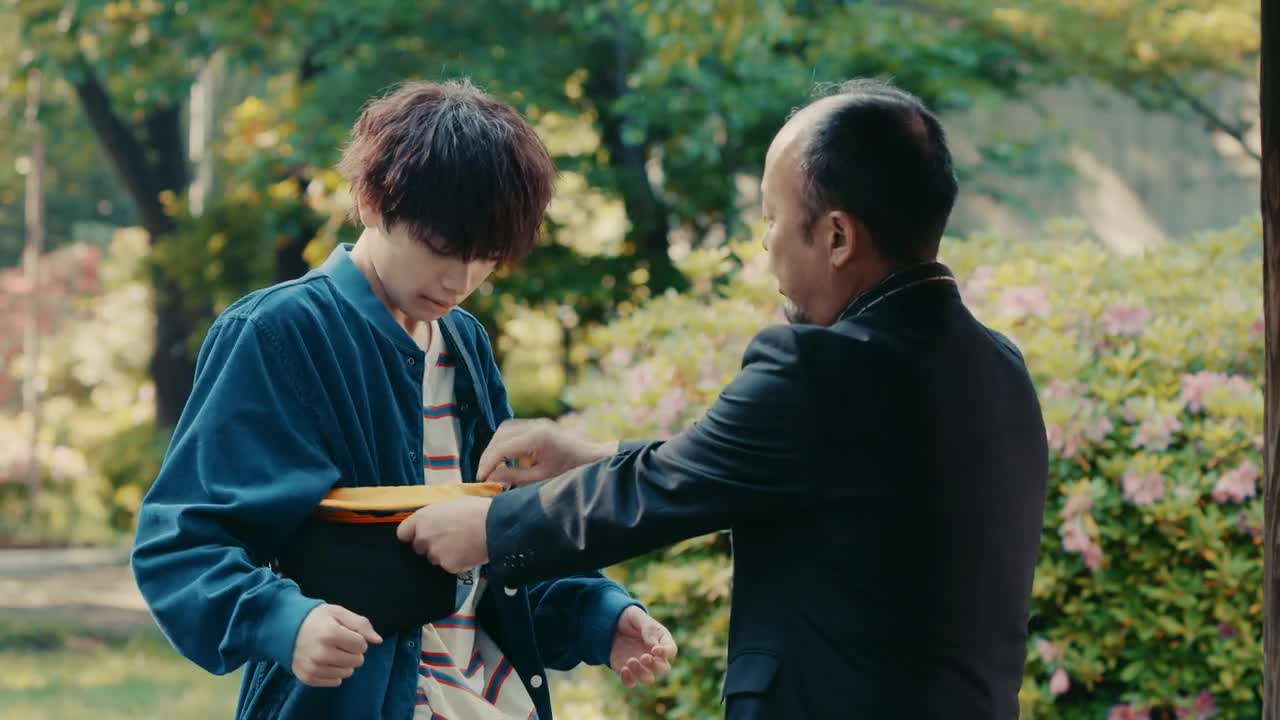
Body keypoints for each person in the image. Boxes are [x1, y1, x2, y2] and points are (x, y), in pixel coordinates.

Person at [396, 78, 1050, 720]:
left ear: (837, 237)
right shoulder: (1000, 368)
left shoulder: (820, 369)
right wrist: (594, 455)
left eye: (772, 218)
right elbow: (760, 466)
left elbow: (660, 488)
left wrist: (488, 528)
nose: (765, 243)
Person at [131, 79, 675, 720]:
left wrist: (600, 615)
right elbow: (182, 543)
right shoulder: (279, 333)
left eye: (486, 257)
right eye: (442, 249)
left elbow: (495, 547)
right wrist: (288, 623)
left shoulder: (464, 342)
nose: (460, 279)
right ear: (369, 200)